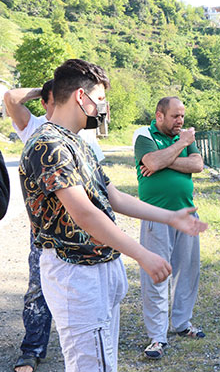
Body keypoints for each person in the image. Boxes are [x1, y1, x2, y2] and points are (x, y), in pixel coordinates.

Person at [19, 59, 207, 372]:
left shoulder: (77, 143)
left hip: (97, 270)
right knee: (90, 365)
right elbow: (85, 214)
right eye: (100, 100)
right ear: (82, 97)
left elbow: (113, 196)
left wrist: (170, 217)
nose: (102, 108)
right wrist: (143, 255)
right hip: (76, 274)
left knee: (104, 361)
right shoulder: (49, 145)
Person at [5, 79, 106, 372]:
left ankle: (80, 343)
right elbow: (11, 98)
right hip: (47, 229)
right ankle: (32, 349)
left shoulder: (84, 136)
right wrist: (48, 89)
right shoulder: (34, 127)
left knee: (81, 292)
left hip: (82, 227)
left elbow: (101, 185)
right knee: (38, 289)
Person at [132, 96, 205, 359]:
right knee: (157, 274)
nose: (181, 121)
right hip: (157, 216)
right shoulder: (144, 134)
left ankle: (182, 324)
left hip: (187, 214)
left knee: (187, 271)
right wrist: (181, 146)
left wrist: (165, 159)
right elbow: (150, 164)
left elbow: (198, 164)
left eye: (183, 116)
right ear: (159, 115)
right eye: (175, 116)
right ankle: (157, 337)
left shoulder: (184, 136)